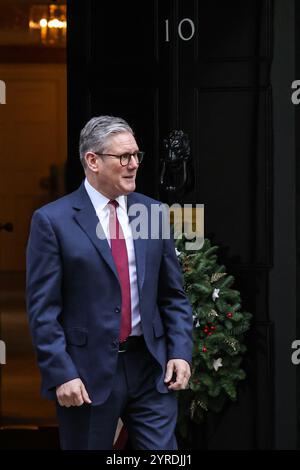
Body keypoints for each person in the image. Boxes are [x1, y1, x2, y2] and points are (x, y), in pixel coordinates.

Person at [26, 115, 193, 450]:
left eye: (136, 156)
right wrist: (62, 372)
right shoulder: (52, 221)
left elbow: (172, 294)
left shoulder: (153, 213)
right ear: (93, 161)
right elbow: (43, 309)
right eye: (123, 157)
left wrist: (180, 351)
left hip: (150, 367)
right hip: (86, 374)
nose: (133, 165)